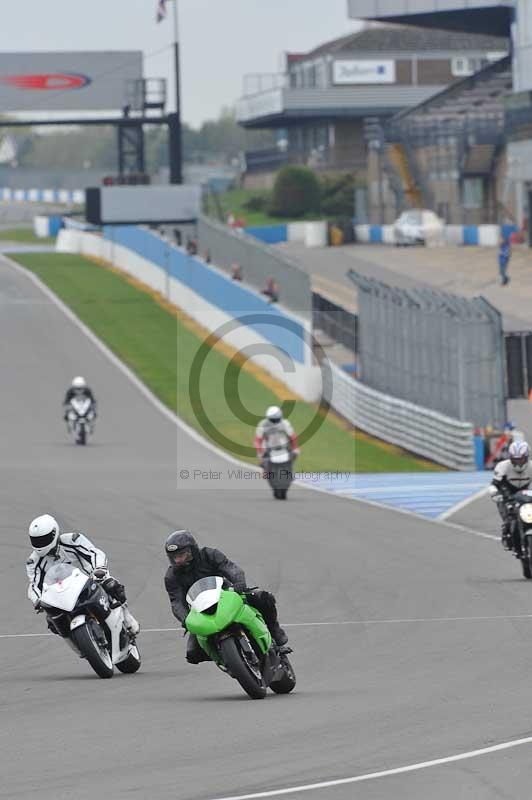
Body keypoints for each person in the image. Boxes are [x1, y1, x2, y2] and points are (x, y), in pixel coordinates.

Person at [163, 530, 289, 665]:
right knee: (192, 654)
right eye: (175, 557)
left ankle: (276, 636)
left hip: (227, 594)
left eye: (182, 554)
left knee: (264, 598)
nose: (179, 559)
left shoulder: (210, 555)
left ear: (192, 550)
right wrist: (186, 619)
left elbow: (230, 568)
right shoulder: (171, 576)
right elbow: (176, 601)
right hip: (201, 609)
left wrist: (239, 582)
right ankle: (227, 660)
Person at [26, 514, 139, 635]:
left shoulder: (73, 540)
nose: (40, 544)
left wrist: (99, 569)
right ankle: (79, 646)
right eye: (36, 541)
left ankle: (126, 616)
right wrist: (37, 600)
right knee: (53, 621)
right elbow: (34, 585)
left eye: (43, 540)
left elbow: (94, 553)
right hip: (61, 595)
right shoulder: (33, 561)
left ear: (54, 533)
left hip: (88, 581)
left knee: (111, 585)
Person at [490, 441, 532, 550]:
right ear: (510, 458)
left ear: (527, 457)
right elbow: (494, 485)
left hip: (528, 496)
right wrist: (495, 494)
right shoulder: (502, 466)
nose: (518, 463)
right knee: (510, 519)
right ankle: (507, 534)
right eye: (515, 459)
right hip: (508, 496)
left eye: (521, 459)